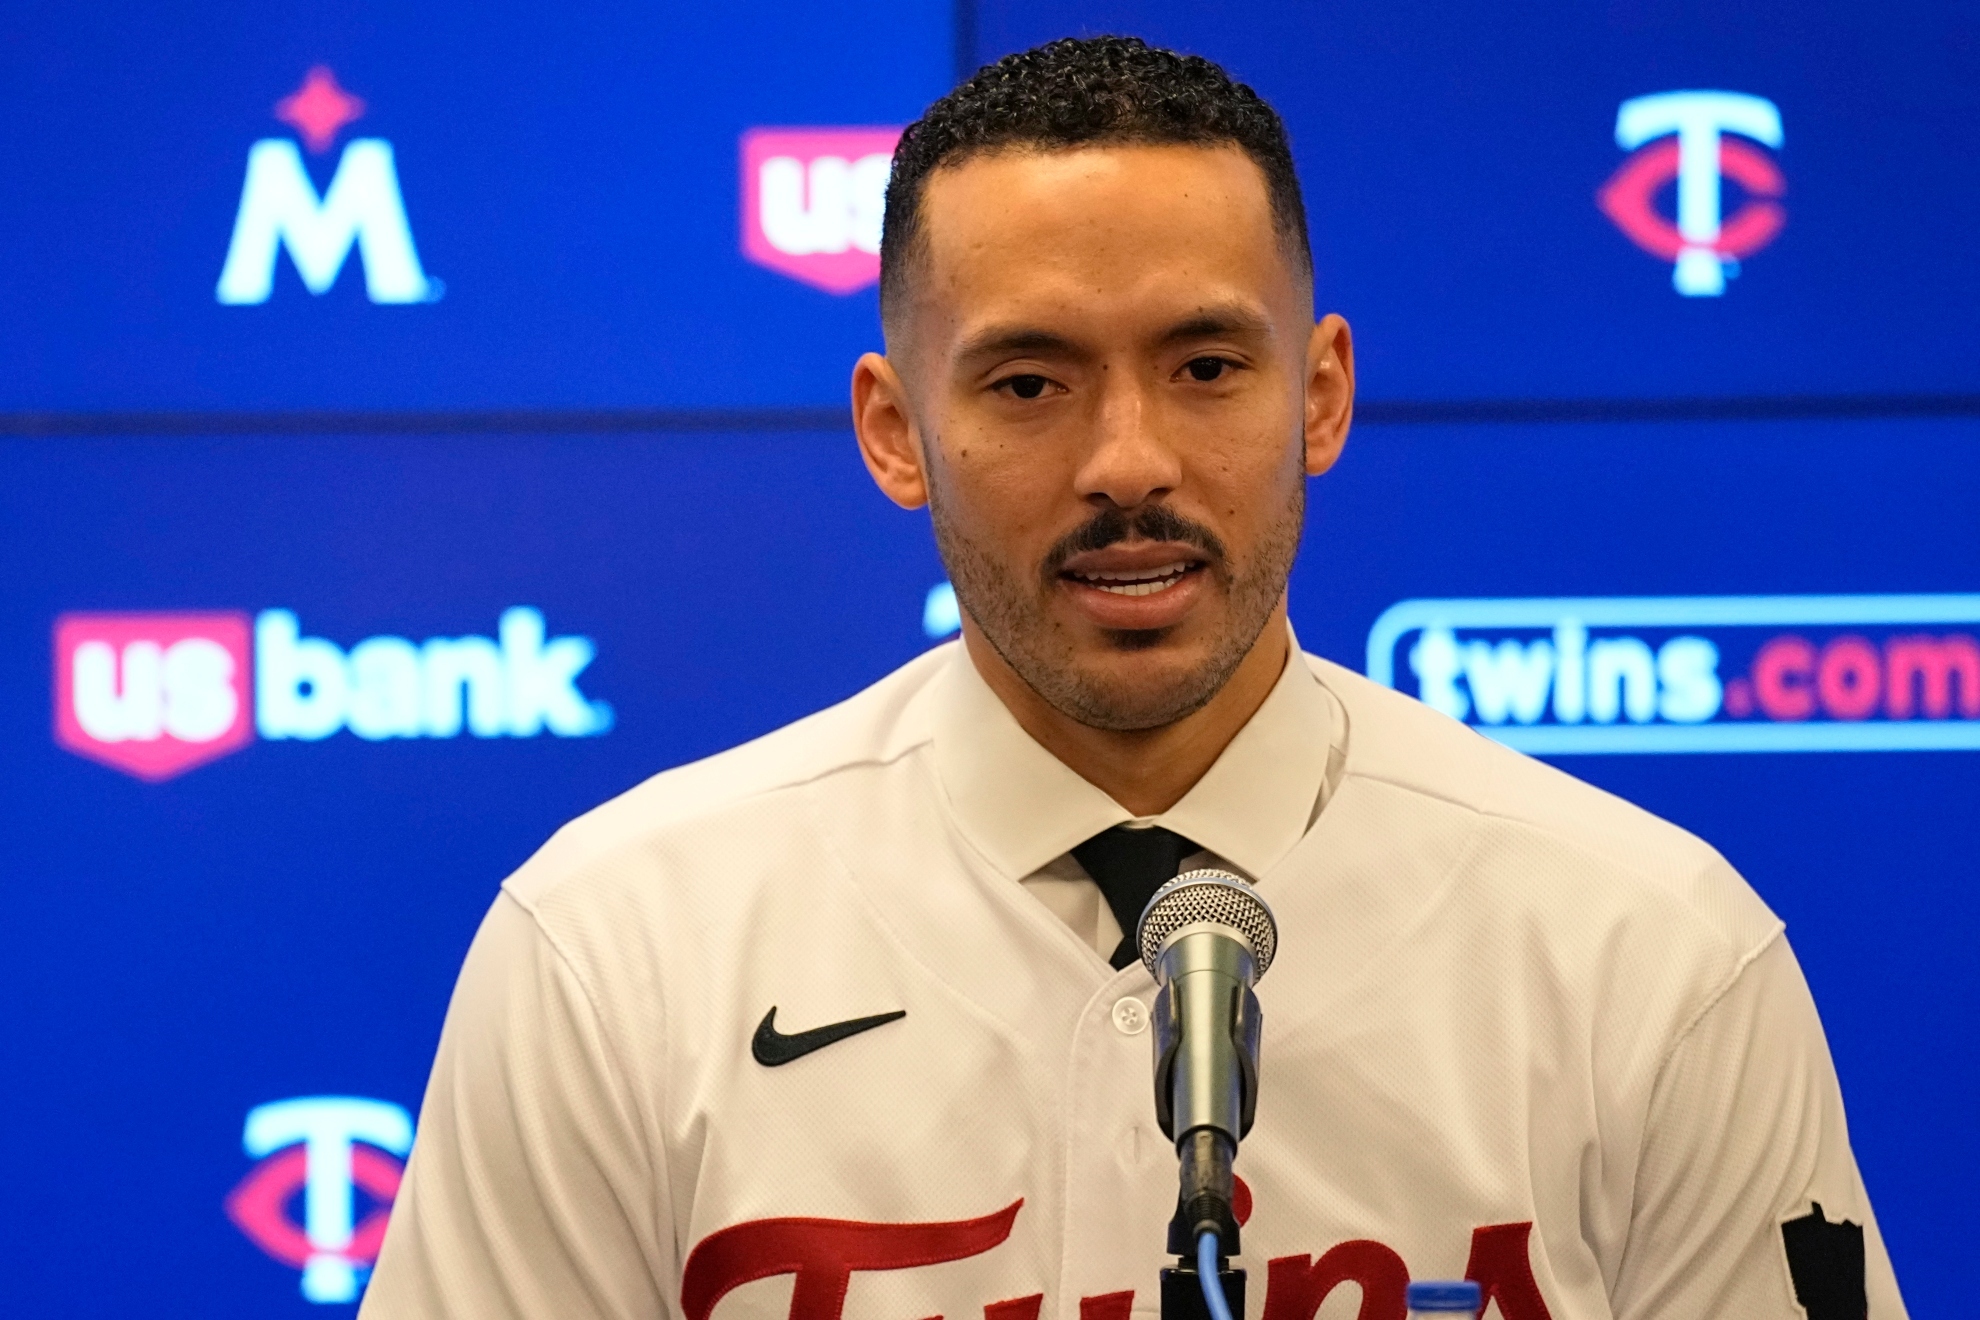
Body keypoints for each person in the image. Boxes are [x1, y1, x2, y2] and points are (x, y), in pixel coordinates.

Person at [361, 36, 1904, 1320]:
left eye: (1206, 366)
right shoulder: (619, 948)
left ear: (1320, 395)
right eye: (1030, 382)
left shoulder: (1648, 950)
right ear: (897, 431)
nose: (1131, 463)